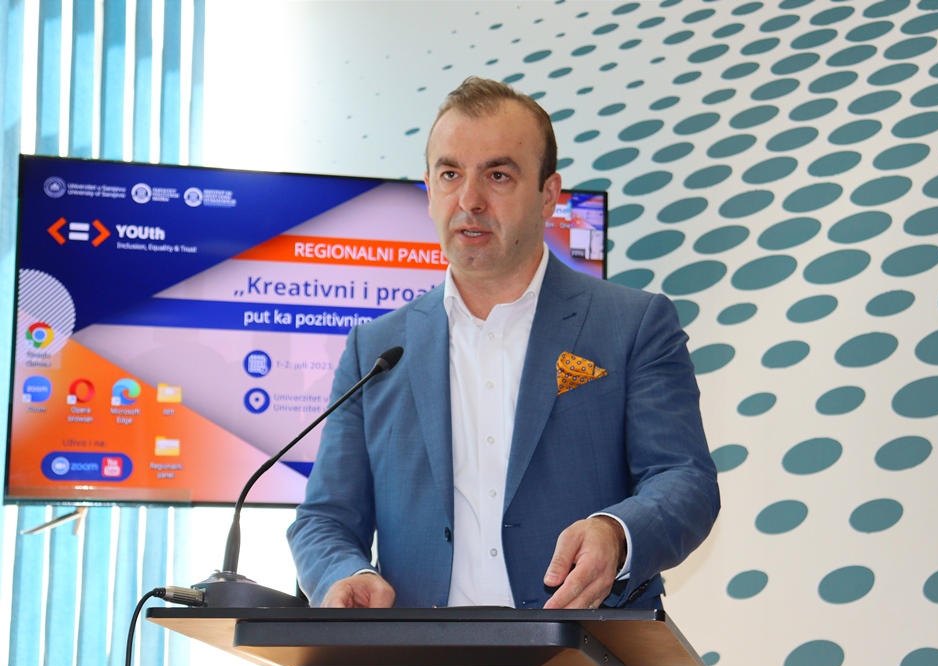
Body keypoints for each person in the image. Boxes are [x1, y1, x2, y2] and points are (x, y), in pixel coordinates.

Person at [288, 76, 719, 634]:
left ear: (548, 195)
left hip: (586, 654)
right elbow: (324, 519)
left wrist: (616, 532)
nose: (469, 200)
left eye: (498, 175)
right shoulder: (376, 350)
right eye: (450, 175)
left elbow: (685, 480)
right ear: (428, 190)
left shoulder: (634, 324)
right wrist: (342, 573)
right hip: (417, 662)